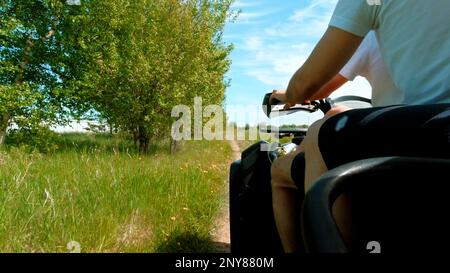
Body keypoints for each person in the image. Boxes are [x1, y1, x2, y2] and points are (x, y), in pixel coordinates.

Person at [270, 0, 450, 253]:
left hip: (419, 138)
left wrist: (285, 95)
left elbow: (308, 86)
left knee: (327, 126)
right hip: (430, 131)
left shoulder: (366, 31)